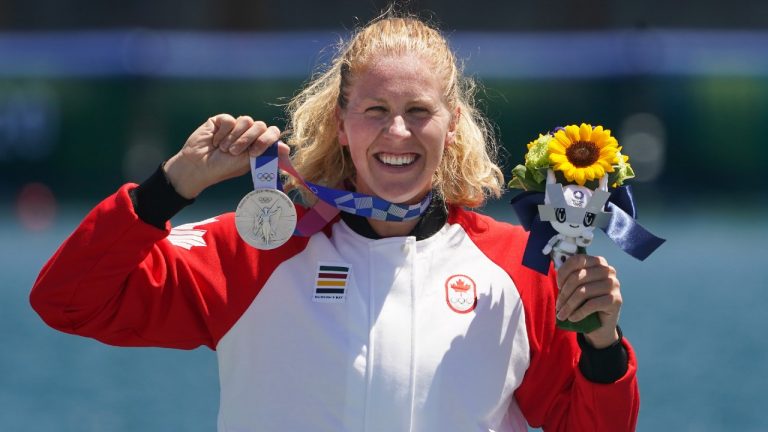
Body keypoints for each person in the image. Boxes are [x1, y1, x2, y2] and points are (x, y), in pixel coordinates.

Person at [30, 11, 639, 432]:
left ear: (452, 124)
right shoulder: (256, 249)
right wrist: (172, 186)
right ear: (340, 124)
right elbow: (68, 302)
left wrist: (602, 345)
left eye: (417, 111)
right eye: (375, 110)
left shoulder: (521, 268)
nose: (396, 132)